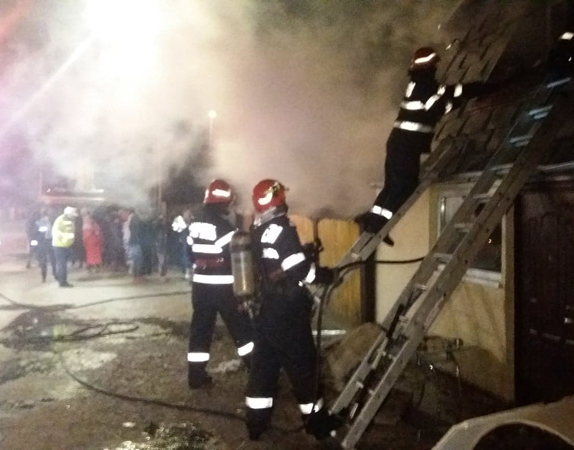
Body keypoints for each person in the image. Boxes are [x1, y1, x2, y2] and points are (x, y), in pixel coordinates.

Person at [355, 46, 495, 244]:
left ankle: (372, 221)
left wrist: (473, 89)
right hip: (407, 146)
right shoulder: (425, 86)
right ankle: (378, 224)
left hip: (398, 143)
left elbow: (448, 91)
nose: (437, 68)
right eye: (435, 65)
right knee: (404, 185)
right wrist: (461, 101)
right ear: (430, 66)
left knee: (392, 185)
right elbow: (438, 108)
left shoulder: (420, 84)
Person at [245, 179, 341, 444]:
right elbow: (300, 271)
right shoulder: (282, 228)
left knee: (263, 367)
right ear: (277, 199)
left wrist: (301, 254)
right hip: (286, 310)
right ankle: (317, 424)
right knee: (304, 366)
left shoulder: (257, 229)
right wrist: (325, 274)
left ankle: (256, 423)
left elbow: (273, 264)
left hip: (265, 308)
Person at [186, 179, 254, 389]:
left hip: (200, 287)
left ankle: (196, 376)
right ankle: (257, 372)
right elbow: (238, 257)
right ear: (224, 203)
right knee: (242, 329)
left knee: (200, 331)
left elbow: (190, 253)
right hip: (224, 288)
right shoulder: (225, 229)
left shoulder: (195, 224)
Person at [52, 206, 78, 287]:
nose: (74, 217)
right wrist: (65, 238)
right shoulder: (60, 220)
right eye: (73, 215)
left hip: (66, 245)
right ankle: (62, 282)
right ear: (68, 214)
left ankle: (60, 277)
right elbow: (56, 232)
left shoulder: (70, 220)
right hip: (60, 245)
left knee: (62, 264)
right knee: (62, 264)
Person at [34, 209, 54, 282]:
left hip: (42, 243)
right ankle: (54, 273)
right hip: (50, 242)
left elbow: (35, 234)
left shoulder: (38, 223)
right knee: (52, 259)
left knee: (43, 261)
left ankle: (44, 277)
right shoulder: (50, 222)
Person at [82, 208, 103, 274]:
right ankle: (96, 267)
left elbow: (85, 233)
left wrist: (84, 239)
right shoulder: (93, 223)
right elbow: (97, 232)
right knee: (95, 254)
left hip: (89, 240)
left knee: (90, 255)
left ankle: (91, 268)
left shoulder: (85, 223)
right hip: (93, 240)